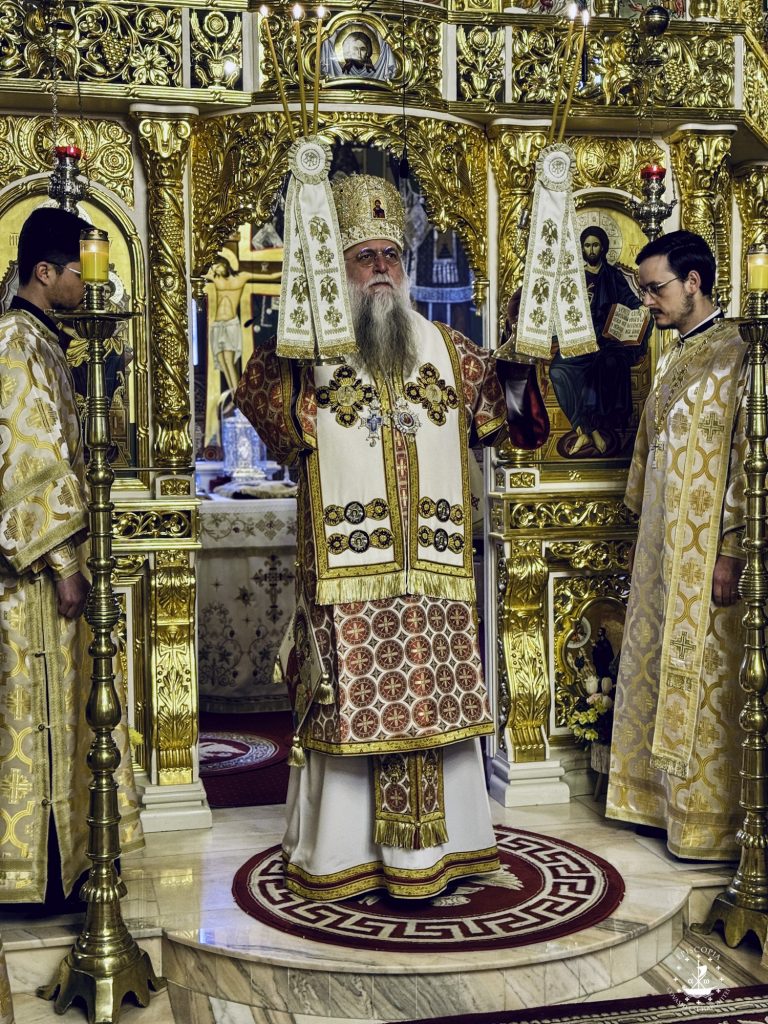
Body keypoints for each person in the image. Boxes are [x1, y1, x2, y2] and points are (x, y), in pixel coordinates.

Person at [236, 174, 548, 900]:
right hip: (349, 578)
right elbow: (261, 403)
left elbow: (514, 418)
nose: (381, 268)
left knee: (437, 710)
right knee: (348, 710)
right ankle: (342, 854)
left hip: (436, 577)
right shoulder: (306, 353)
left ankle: (449, 850)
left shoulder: (446, 347)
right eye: (363, 256)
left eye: (391, 256)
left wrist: (526, 351)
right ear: (338, 269)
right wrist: (295, 342)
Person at [0, 206, 143, 907]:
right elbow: (28, 461)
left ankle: (66, 862)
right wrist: (64, 563)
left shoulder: (45, 341)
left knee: (66, 714)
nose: (86, 286)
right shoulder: (15, 344)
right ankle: (36, 874)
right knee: (38, 718)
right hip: (29, 578)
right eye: (76, 273)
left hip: (49, 563)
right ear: (44, 271)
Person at [606, 230, 748, 860]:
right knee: (659, 666)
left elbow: (750, 456)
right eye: (642, 289)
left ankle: (709, 820)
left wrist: (732, 546)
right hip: (662, 546)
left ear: (694, 282)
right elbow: (650, 448)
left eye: (655, 288)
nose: (647, 301)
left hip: (707, 549)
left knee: (707, 677)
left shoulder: (741, 352)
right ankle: (658, 803)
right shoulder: (673, 355)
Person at [549, 225, 651, 456]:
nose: (591, 250)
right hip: (579, 338)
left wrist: (641, 309)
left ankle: (587, 430)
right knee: (557, 371)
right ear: (582, 248)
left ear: (603, 247)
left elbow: (630, 301)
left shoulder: (613, 276)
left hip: (607, 341)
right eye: (587, 245)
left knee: (603, 366)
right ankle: (589, 431)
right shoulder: (573, 277)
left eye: (595, 245)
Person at [206, 256, 281, 399]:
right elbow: (199, 274)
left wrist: (284, 272)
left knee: (228, 361)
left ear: (224, 264)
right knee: (221, 361)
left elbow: (269, 276)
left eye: (217, 266)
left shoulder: (242, 277)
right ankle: (233, 395)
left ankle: (238, 397)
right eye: (213, 268)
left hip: (230, 324)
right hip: (217, 324)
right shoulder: (216, 278)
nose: (215, 270)